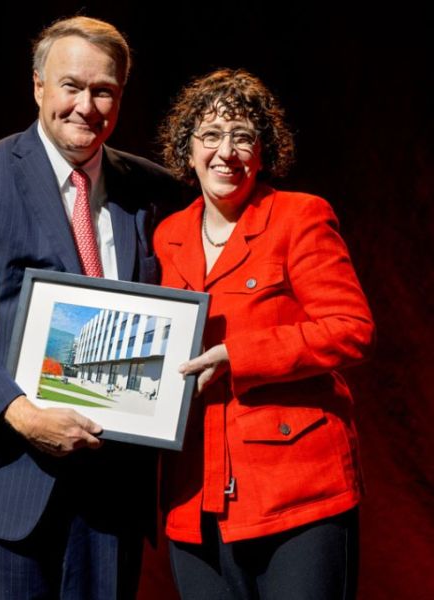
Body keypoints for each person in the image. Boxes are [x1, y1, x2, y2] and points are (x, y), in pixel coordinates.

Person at [0, 16, 183, 600]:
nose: (86, 105)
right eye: (71, 85)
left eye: (103, 89)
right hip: (1, 487)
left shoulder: (153, 190)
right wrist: (21, 414)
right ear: (38, 86)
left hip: (109, 501)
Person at [154, 68, 375, 599]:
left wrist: (240, 355)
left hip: (297, 491)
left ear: (262, 151)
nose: (226, 151)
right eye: (210, 135)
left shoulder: (300, 217)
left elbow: (352, 330)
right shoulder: (167, 236)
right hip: (194, 495)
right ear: (188, 151)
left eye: (242, 136)